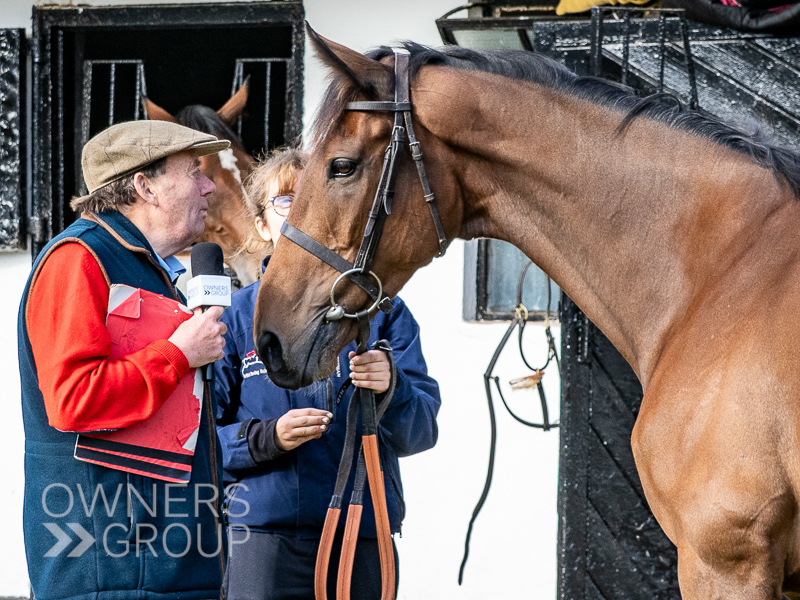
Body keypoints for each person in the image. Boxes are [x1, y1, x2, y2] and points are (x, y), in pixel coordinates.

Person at [215, 147, 441, 600]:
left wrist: (390, 389)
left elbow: (422, 433)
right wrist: (268, 437)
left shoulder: (384, 310)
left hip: (364, 532)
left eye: (309, 200)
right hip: (265, 540)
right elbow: (200, 442)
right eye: (285, 201)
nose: (298, 211)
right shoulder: (234, 319)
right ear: (261, 226)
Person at [18, 120, 231, 600]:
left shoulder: (150, 268)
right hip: (113, 573)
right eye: (194, 170)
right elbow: (75, 400)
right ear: (145, 185)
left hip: (167, 567)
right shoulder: (77, 259)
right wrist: (179, 353)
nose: (209, 184)